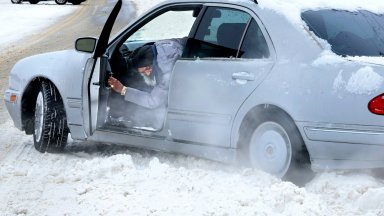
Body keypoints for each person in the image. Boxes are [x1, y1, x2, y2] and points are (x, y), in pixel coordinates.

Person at [107, 38, 186, 129]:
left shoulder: (165, 73)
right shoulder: (163, 45)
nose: (146, 74)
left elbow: (153, 101)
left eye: (144, 71)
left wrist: (123, 90)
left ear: (149, 67)